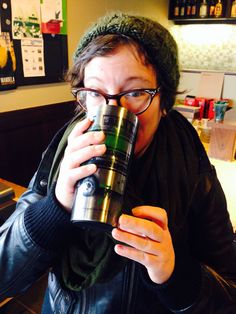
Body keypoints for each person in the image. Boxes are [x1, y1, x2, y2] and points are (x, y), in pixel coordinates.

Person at [0, 12, 236, 314]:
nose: (113, 110)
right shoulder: (66, 150)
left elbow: (229, 294)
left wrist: (175, 274)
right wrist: (54, 206)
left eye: (136, 92)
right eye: (96, 93)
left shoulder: (188, 160)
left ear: (163, 101)